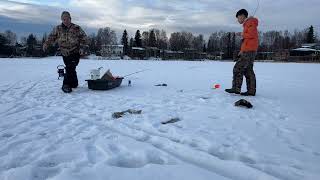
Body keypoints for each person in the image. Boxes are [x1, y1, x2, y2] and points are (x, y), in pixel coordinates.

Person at [43, 11, 88, 93]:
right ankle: (74, 83)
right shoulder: (58, 28)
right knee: (70, 67)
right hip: (64, 52)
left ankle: (65, 85)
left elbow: (84, 39)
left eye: (67, 19)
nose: (65, 21)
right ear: (61, 20)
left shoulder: (76, 28)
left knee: (70, 66)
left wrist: (82, 48)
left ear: (70, 19)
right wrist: (46, 44)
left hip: (75, 51)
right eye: (63, 19)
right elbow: (51, 37)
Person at [225, 9, 259, 96]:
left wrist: (242, 34)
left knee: (237, 68)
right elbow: (247, 40)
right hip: (248, 50)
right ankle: (251, 91)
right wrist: (242, 50)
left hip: (249, 51)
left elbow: (252, 35)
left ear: (242, 16)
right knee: (248, 70)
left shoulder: (250, 22)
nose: (238, 20)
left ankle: (236, 88)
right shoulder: (248, 24)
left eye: (238, 18)